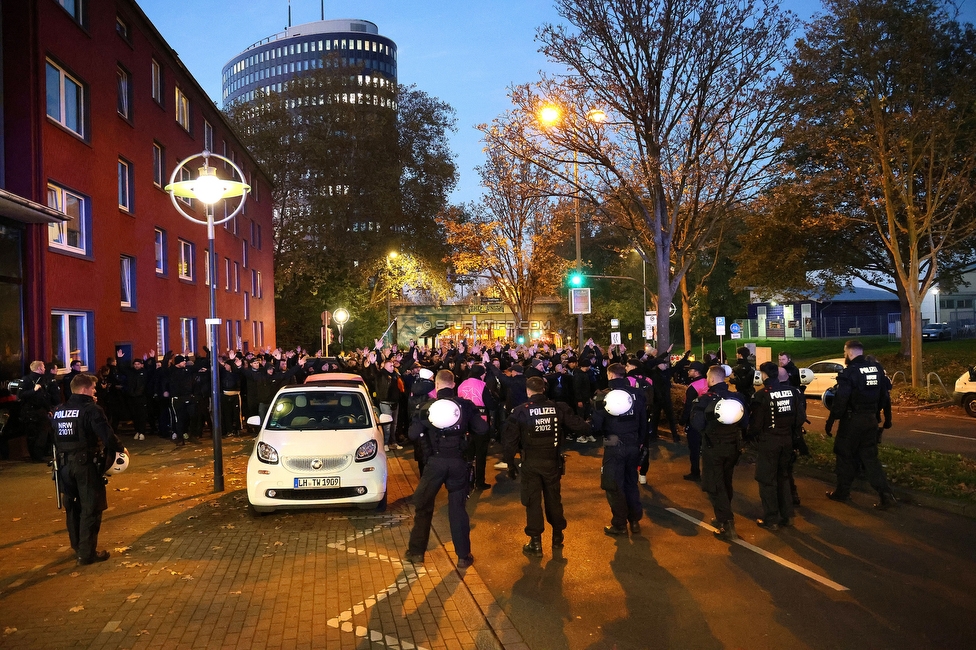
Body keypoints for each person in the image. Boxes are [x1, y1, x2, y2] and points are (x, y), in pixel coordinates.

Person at [404, 370, 488, 569]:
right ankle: (463, 556)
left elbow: (413, 434)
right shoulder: (465, 406)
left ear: (437, 385)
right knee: (458, 509)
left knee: (423, 506)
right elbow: (483, 430)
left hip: (434, 463)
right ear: (453, 384)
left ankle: (416, 552)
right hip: (458, 462)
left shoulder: (426, 407)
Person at [502, 376, 589, 555]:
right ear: (544, 389)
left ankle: (536, 543)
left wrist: (510, 464)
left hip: (531, 463)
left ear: (528, 391)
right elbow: (579, 426)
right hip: (552, 461)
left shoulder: (520, 411)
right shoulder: (558, 408)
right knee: (554, 499)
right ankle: (557, 537)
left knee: (532, 501)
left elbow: (510, 442)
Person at [51, 373, 124, 565]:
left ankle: (78, 547)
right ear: (85, 389)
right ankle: (87, 553)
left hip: (64, 466)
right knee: (91, 508)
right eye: (93, 388)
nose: (95, 391)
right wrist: (120, 449)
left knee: (72, 507)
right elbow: (106, 436)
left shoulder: (59, 410)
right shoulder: (92, 410)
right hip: (86, 465)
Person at [825, 340, 897, 509]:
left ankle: (842, 492)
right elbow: (884, 397)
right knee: (870, 459)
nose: (844, 356)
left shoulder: (849, 373)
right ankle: (886, 496)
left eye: (844, 353)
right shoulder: (876, 369)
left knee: (844, 455)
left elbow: (841, 400)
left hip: (852, 422)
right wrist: (885, 418)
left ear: (849, 353)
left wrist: (831, 421)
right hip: (871, 420)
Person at [691, 366, 749, 541]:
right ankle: (722, 516)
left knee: (715, 485)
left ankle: (727, 523)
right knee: (726, 481)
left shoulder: (705, 400)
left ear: (711, 379)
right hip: (733, 446)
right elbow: (745, 422)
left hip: (713, 447)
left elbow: (697, 425)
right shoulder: (737, 397)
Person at [592, 363, 647, 536]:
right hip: (633, 442)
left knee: (613, 485)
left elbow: (596, 426)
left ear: (610, 375)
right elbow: (644, 421)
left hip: (613, 441)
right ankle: (635, 521)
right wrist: (642, 443)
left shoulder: (604, 397)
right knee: (631, 482)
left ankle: (620, 524)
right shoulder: (637, 395)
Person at [749, 362, 805, 530]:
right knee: (783, 477)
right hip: (787, 440)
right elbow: (800, 417)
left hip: (769, 441)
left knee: (766, 479)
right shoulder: (792, 392)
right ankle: (788, 516)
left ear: (764, 375)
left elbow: (756, 424)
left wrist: (750, 437)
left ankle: (771, 518)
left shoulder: (762, 396)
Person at [457, 364, 495, 490]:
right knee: (481, 453)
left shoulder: (462, 385)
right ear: (481, 374)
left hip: (465, 422)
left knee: (468, 454)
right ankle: (479, 481)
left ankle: (467, 479)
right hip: (481, 421)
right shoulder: (482, 385)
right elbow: (490, 404)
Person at [18, 360, 55, 462]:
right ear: (39, 368)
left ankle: (40, 454)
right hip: (31, 411)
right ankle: (36, 456)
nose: (44, 369)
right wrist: (33, 390)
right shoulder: (27, 380)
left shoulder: (43, 380)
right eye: (43, 367)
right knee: (35, 434)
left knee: (42, 433)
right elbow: (20, 395)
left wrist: (48, 409)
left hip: (41, 410)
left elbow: (44, 397)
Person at [678, 361, 709, 481]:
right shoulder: (708, 383)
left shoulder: (693, 387)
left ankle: (695, 472)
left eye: (690, 370)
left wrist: (682, 421)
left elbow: (688, 407)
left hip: (695, 420)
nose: (688, 371)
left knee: (694, 448)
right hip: (707, 419)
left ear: (696, 372)